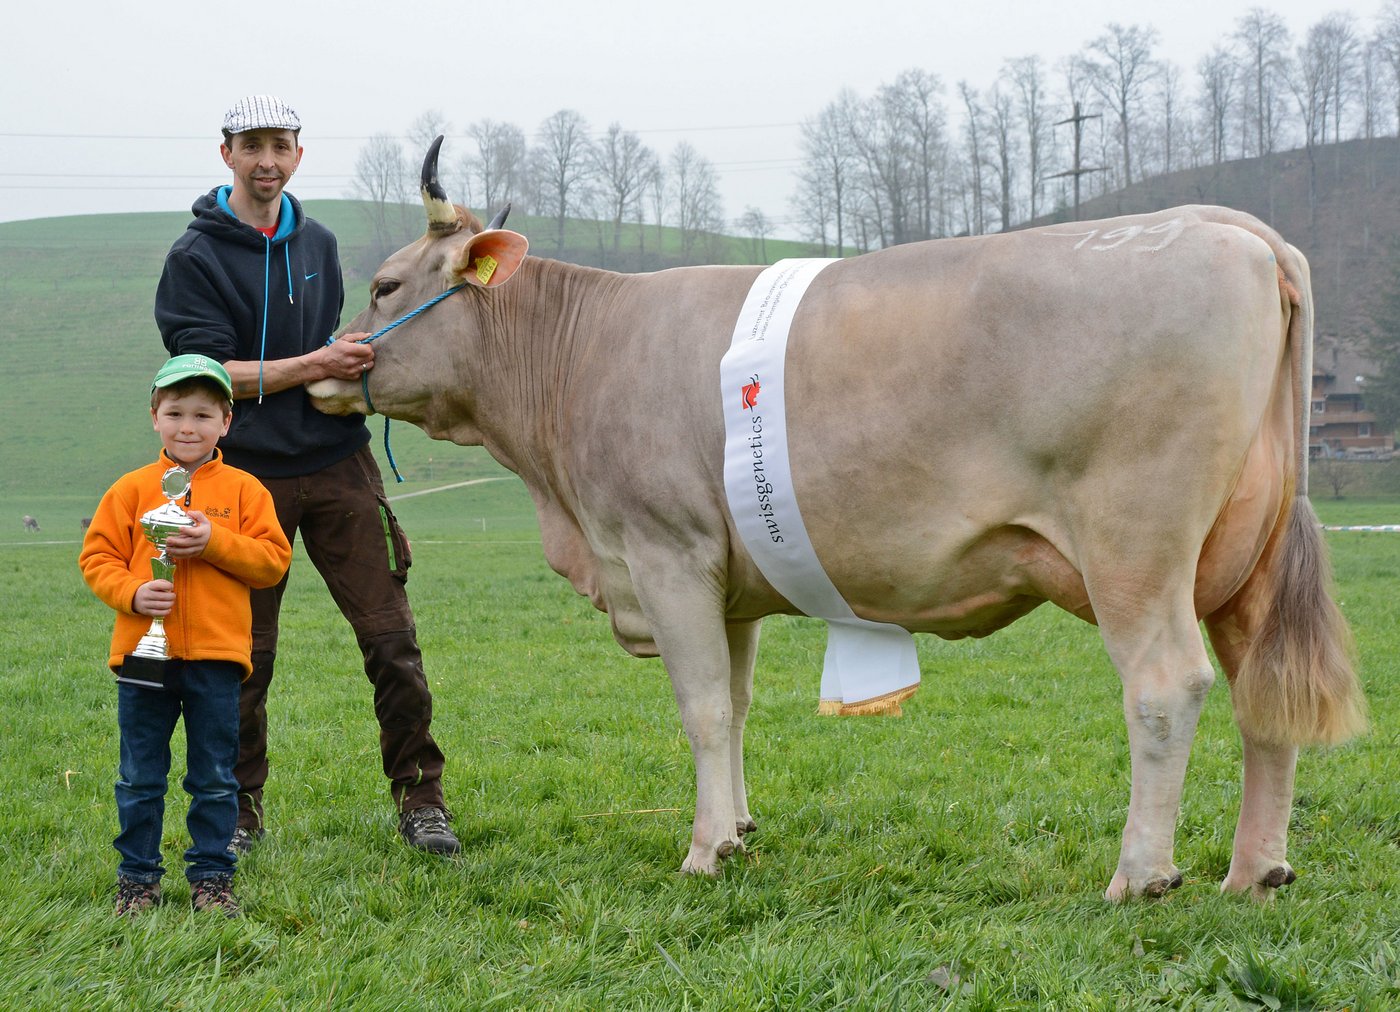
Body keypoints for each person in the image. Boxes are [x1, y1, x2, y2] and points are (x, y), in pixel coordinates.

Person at [154, 95, 460, 855]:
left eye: (280, 145)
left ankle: (422, 802)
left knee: (392, 641)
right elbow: (204, 375)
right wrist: (316, 363)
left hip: (337, 462)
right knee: (242, 656)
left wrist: (351, 357)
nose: (267, 159)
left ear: (298, 154)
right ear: (226, 153)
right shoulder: (194, 257)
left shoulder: (318, 241)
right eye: (252, 145)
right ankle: (237, 811)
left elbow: (332, 345)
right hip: (241, 480)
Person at [80, 355, 293, 917]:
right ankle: (138, 878)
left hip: (217, 660)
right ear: (155, 417)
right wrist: (131, 593)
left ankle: (212, 878)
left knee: (216, 776)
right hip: (144, 655)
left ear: (226, 421)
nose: (187, 426)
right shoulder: (130, 490)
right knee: (140, 774)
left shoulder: (246, 491)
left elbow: (272, 562)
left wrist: (214, 542)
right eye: (175, 412)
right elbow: (97, 556)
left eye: (203, 414)